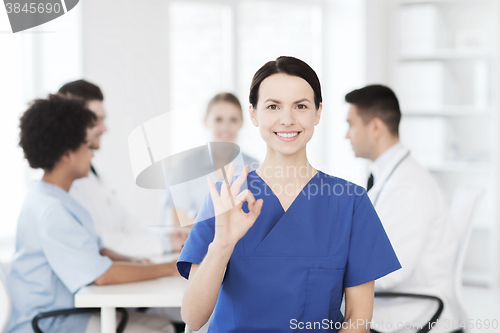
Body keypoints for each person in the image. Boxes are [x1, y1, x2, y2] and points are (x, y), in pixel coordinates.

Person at [177, 56, 401, 332]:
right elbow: (193, 317)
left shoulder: (350, 203)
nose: (287, 119)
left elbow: (358, 319)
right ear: (254, 114)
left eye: (301, 106)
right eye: (273, 106)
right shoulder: (226, 197)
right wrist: (222, 244)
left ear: (318, 112)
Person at [5, 94, 176, 333]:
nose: (92, 154)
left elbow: (97, 250)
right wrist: (169, 268)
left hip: (67, 311)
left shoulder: (57, 197)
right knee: (161, 330)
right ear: (66, 154)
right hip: (51, 321)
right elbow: (102, 276)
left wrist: (132, 261)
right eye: (86, 146)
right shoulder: (51, 209)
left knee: (164, 326)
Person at [345, 84, 461, 333]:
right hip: (401, 303)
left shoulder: (407, 186)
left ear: (375, 127)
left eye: (351, 125)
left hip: (412, 311)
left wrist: (336, 269)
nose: (347, 135)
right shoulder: (392, 176)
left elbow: (391, 270)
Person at [57, 80, 186, 257]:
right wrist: (164, 244)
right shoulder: (65, 181)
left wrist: (164, 236)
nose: (104, 128)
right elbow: (100, 242)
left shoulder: (93, 173)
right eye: (96, 119)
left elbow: (123, 223)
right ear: (72, 121)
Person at [161, 92, 260, 228]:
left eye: (233, 120)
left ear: (241, 123)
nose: (226, 127)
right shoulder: (186, 165)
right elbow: (178, 224)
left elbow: (257, 218)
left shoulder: (253, 166)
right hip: (198, 245)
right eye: (218, 119)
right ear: (206, 122)